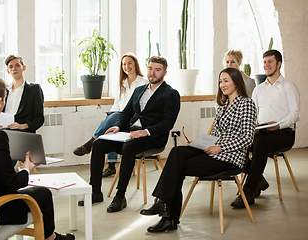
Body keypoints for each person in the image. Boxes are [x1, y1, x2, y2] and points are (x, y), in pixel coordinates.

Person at [140, 67, 257, 233]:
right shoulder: (222, 106)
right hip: (214, 150)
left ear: (236, 82)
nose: (222, 85)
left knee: (176, 166)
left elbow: (247, 138)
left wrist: (221, 147)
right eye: (220, 81)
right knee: (177, 152)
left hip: (230, 158)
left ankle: (167, 214)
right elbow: (216, 135)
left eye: (226, 81)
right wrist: (201, 142)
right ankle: (164, 208)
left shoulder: (247, 104)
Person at [0, 77, 74, 240]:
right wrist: (26, 169)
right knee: (43, 193)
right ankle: (51, 238)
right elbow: (10, 185)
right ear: (0, 102)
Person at [78, 56, 181, 213]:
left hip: (152, 137)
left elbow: (168, 123)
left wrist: (144, 132)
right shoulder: (139, 90)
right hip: (129, 132)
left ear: (165, 73)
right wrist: (118, 126)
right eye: (150, 68)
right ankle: (95, 192)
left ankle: (120, 196)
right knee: (99, 144)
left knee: (128, 147)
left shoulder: (171, 94)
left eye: (157, 70)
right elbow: (126, 112)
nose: (153, 73)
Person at [230, 49, 300, 208]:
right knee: (237, 142)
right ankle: (258, 180)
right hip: (261, 131)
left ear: (279, 64)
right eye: (264, 62)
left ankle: (248, 190)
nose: (266, 65)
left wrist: (276, 126)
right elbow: (253, 114)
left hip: (284, 132)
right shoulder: (259, 89)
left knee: (260, 143)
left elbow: (295, 114)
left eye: (270, 62)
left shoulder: (289, 86)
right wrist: (252, 126)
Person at [73, 53, 148, 177]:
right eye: (124, 64)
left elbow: (140, 107)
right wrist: (111, 113)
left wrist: (115, 116)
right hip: (120, 117)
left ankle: (91, 143)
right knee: (111, 121)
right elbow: (117, 104)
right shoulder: (121, 83)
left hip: (134, 118)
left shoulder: (143, 82)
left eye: (130, 63)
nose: (127, 66)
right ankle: (111, 165)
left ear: (135, 64)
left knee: (114, 119)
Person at [2, 55, 44, 133]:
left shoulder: (34, 89)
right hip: (4, 132)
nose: (14, 69)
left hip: (24, 133)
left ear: (24, 67)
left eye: (17, 65)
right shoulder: (4, 90)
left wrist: (22, 126)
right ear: (8, 71)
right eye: (11, 67)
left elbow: (39, 118)